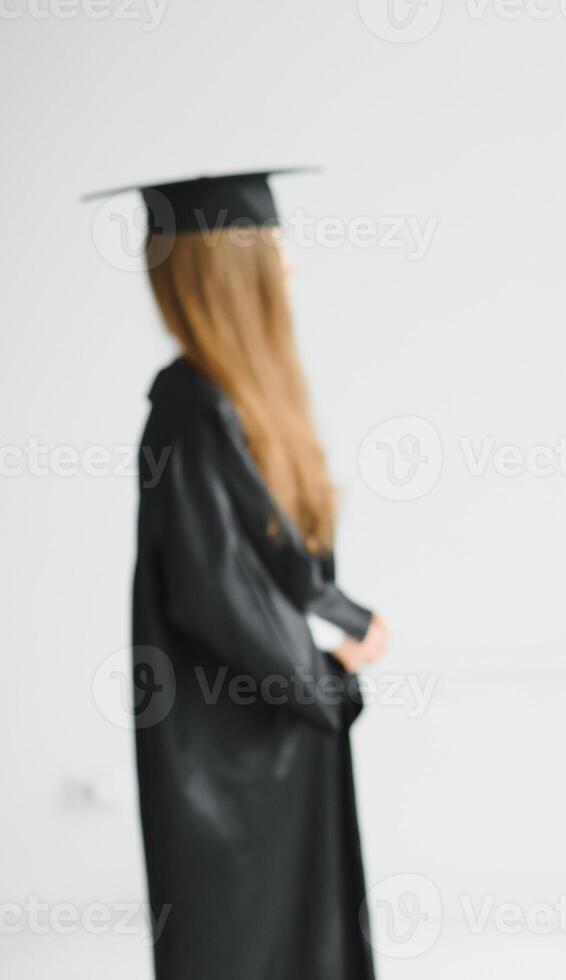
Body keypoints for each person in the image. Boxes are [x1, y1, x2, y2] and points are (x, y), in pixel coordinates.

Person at [113, 170, 389, 980]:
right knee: (244, 937)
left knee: (298, 932)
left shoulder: (230, 400)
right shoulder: (188, 406)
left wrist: (342, 621)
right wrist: (325, 678)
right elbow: (213, 588)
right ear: (231, 272)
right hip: (226, 742)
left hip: (268, 722)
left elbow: (269, 558)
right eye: (272, 247)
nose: (292, 265)